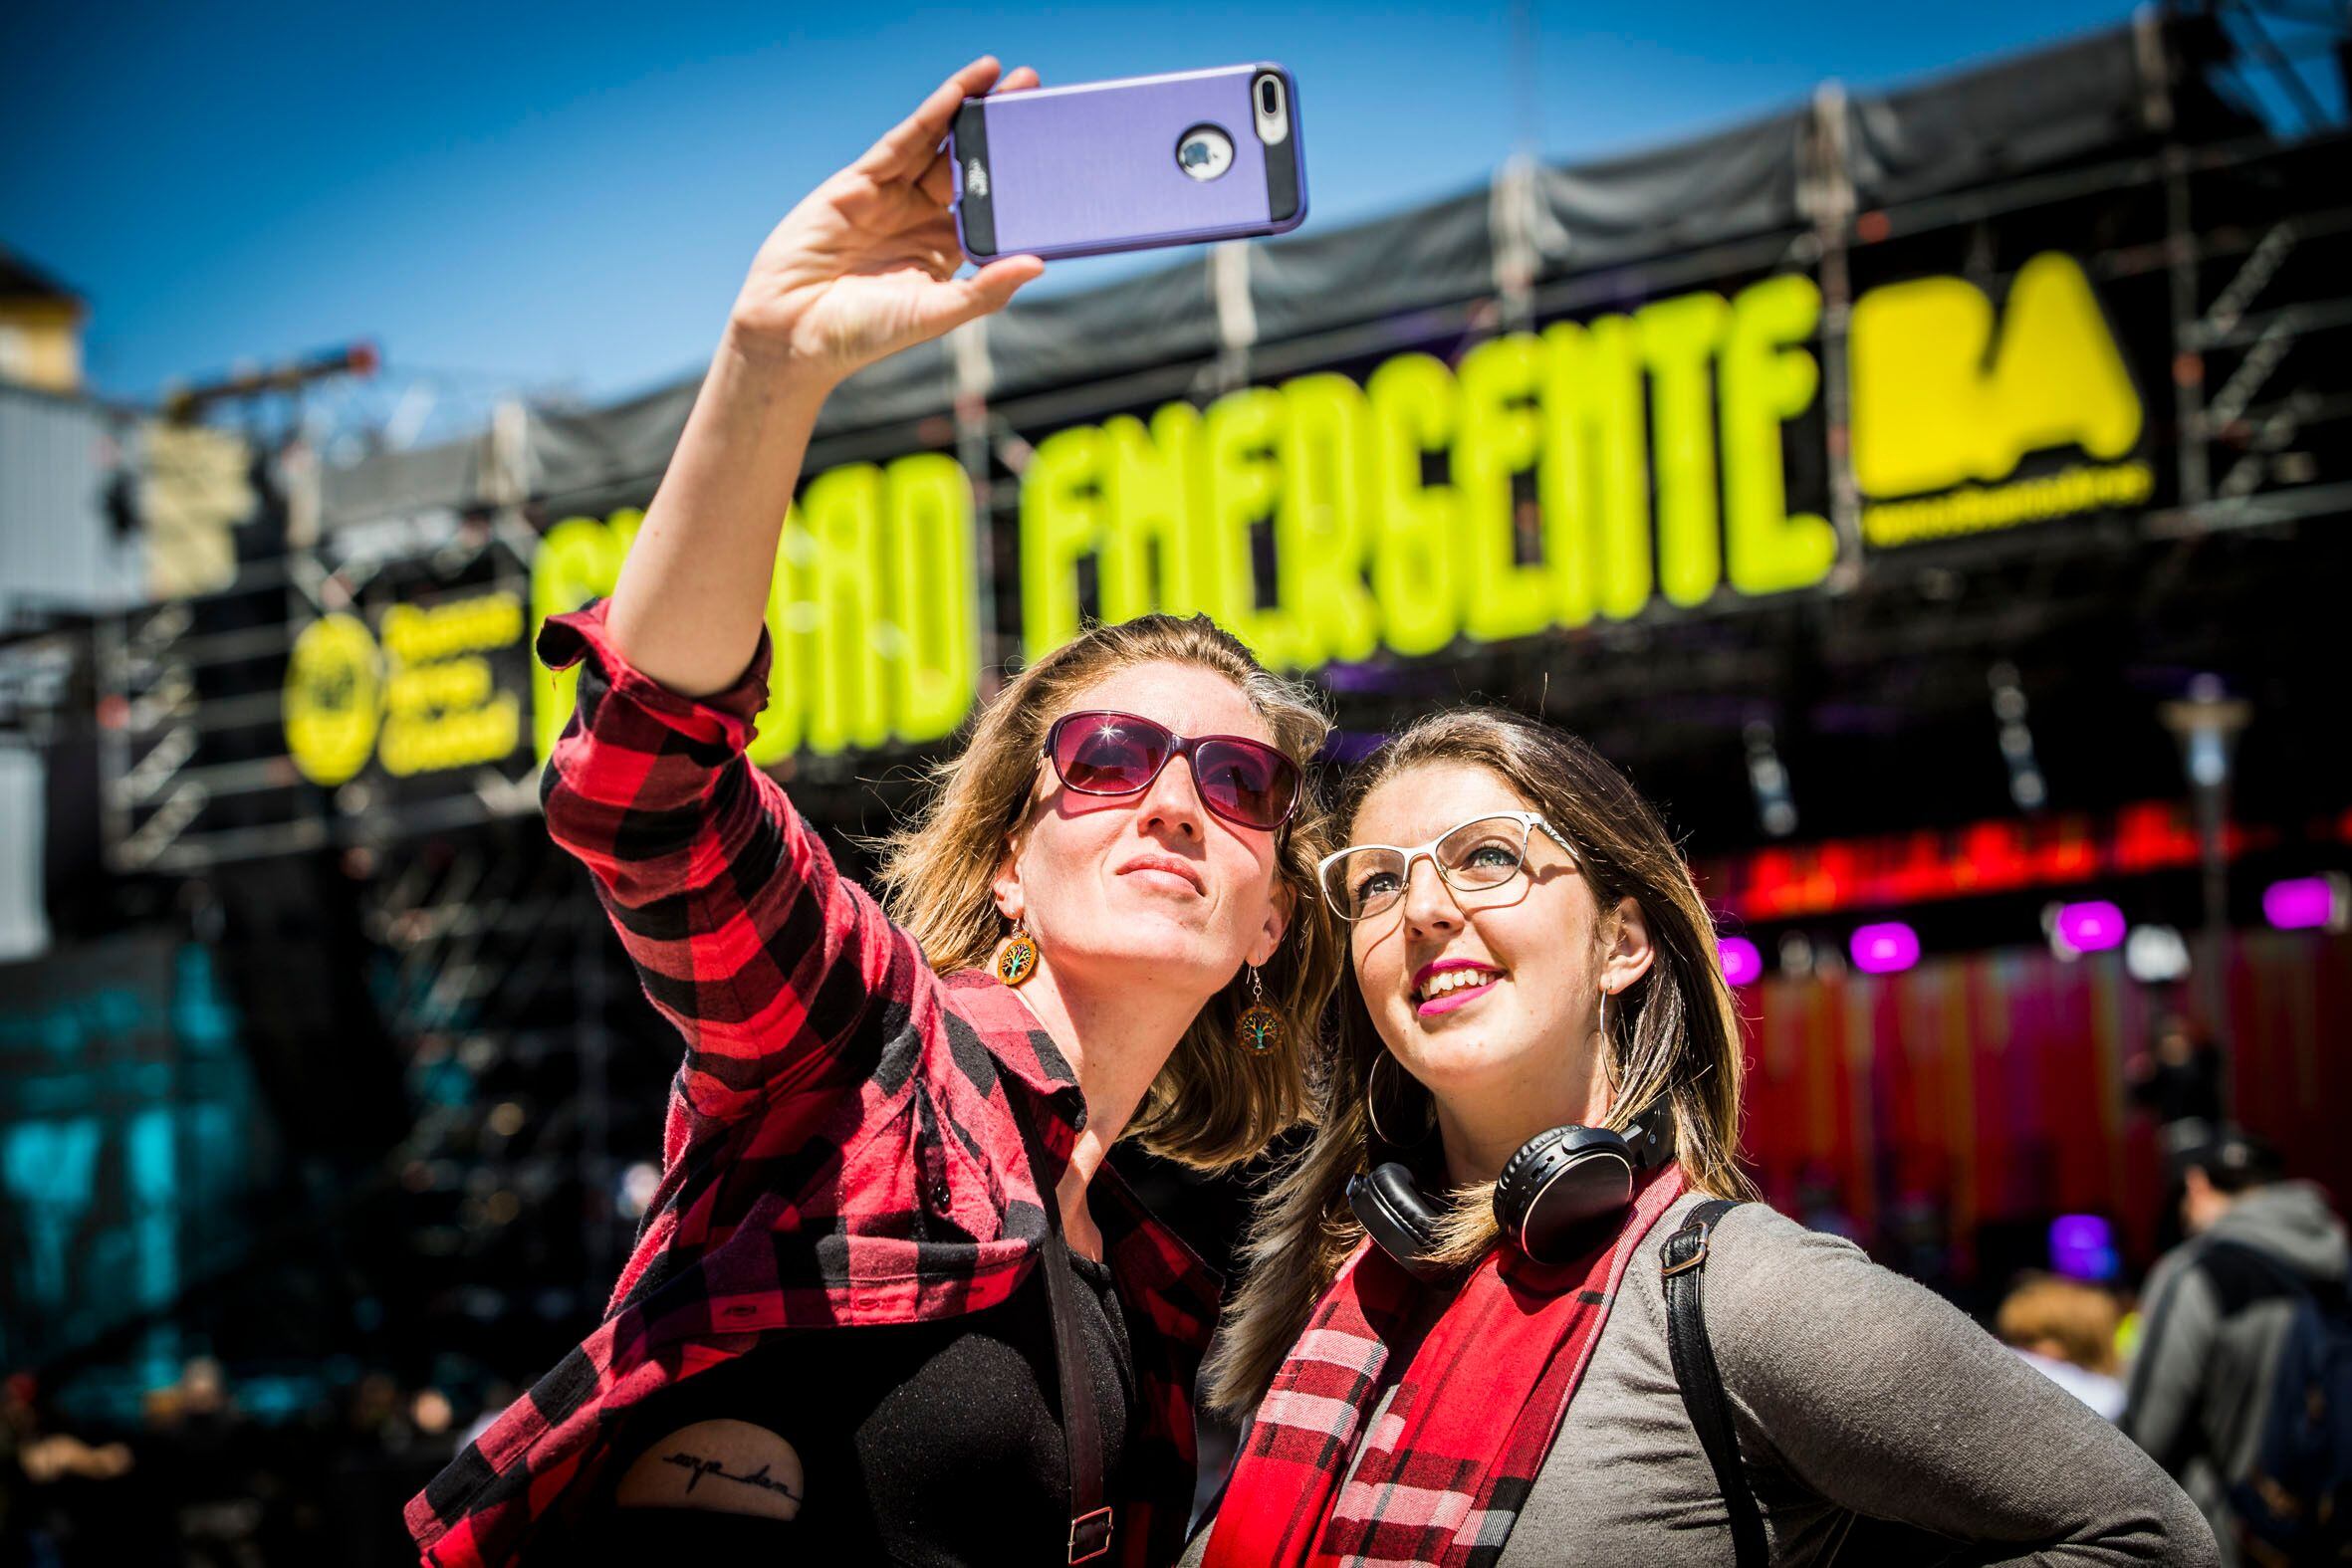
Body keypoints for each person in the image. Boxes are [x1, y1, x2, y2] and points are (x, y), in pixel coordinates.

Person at [403, 58, 1343, 1568]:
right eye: (1108, 757)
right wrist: (768, 366)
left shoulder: (1166, 1285)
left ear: (1269, 916)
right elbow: (649, 787)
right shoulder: (872, 1055)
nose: (1173, 798)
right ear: (1008, 867)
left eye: (1235, 783)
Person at [1188, 708, 2215, 1566]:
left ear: (1621, 943)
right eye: (1377, 882)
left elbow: (2145, 1537)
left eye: (1487, 859)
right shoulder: (1336, 1303)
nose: (1421, 908)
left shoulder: (1742, 1292)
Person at [2121, 1129, 2351, 1565]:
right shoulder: (2339, 1266)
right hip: (2330, 1532)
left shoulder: (2195, 1273)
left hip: (2230, 1539)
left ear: (2197, 1184)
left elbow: (2142, 1442)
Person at [1997, 1273, 2127, 1420]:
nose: (2021, 1351)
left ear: (2079, 1340)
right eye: (2015, 1340)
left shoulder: (2105, 1397)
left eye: (2031, 1340)